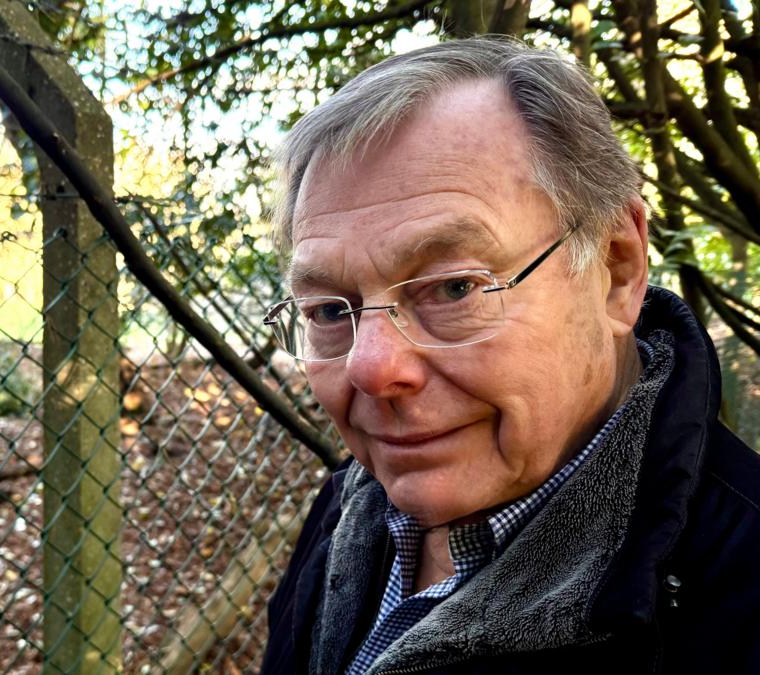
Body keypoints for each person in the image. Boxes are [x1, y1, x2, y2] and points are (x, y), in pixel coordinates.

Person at [259, 37, 760, 675]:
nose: (372, 368)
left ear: (615, 268)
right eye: (331, 311)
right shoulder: (345, 514)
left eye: (455, 287)